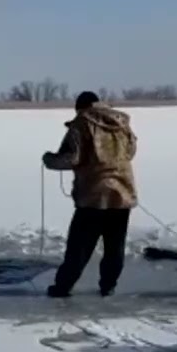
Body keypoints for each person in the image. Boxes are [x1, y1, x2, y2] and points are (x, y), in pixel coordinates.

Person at [41, 90, 138, 297]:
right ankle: (108, 286)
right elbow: (131, 152)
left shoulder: (81, 124)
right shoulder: (122, 123)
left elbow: (71, 158)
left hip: (93, 195)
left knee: (79, 247)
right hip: (122, 194)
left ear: (80, 107)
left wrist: (49, 160)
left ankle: (62, 287)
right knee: (115, 246)